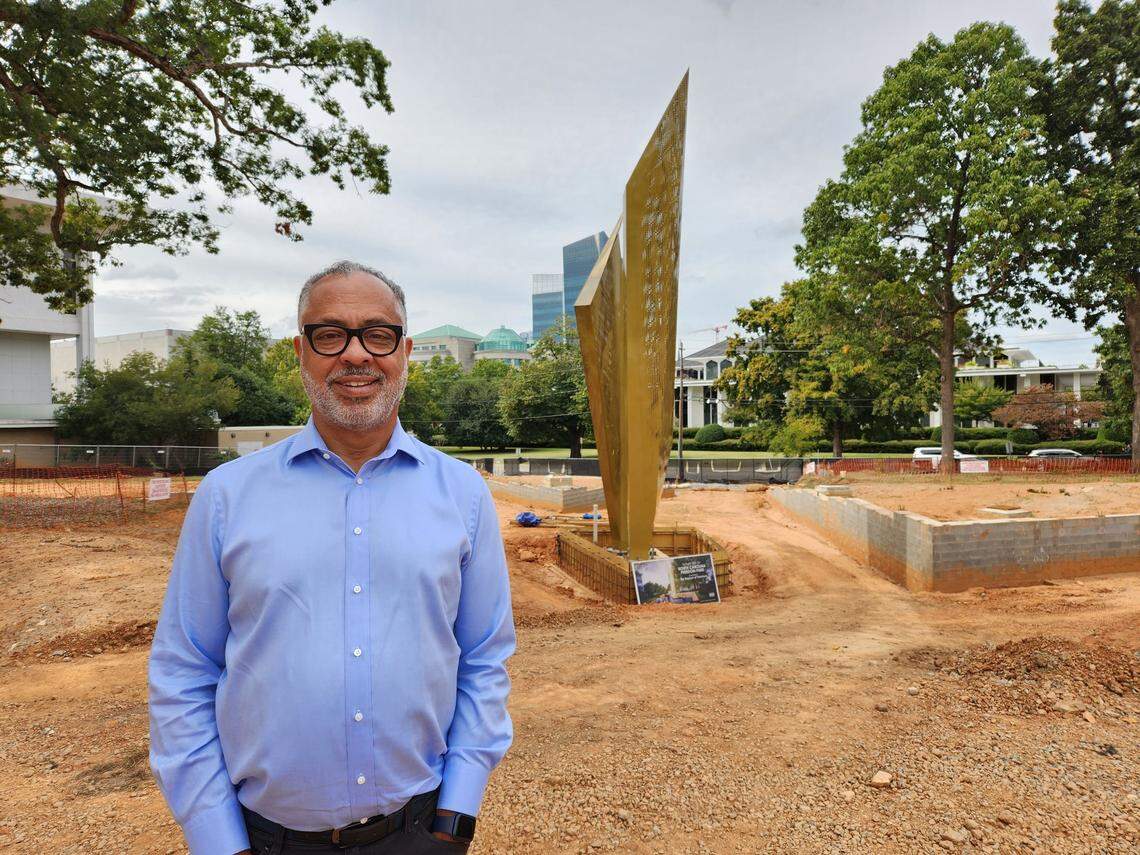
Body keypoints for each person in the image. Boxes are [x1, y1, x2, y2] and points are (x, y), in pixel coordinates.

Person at [149, 261, 515, 854]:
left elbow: (483, 660)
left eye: (377, 334)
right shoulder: (227, 496)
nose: (355, 355)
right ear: (301, 351)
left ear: (405, 351)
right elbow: (184, 673)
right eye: (330, 335)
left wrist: (456, 817)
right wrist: (216, 840)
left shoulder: (463, 495)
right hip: (262, 841)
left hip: (418, 831)